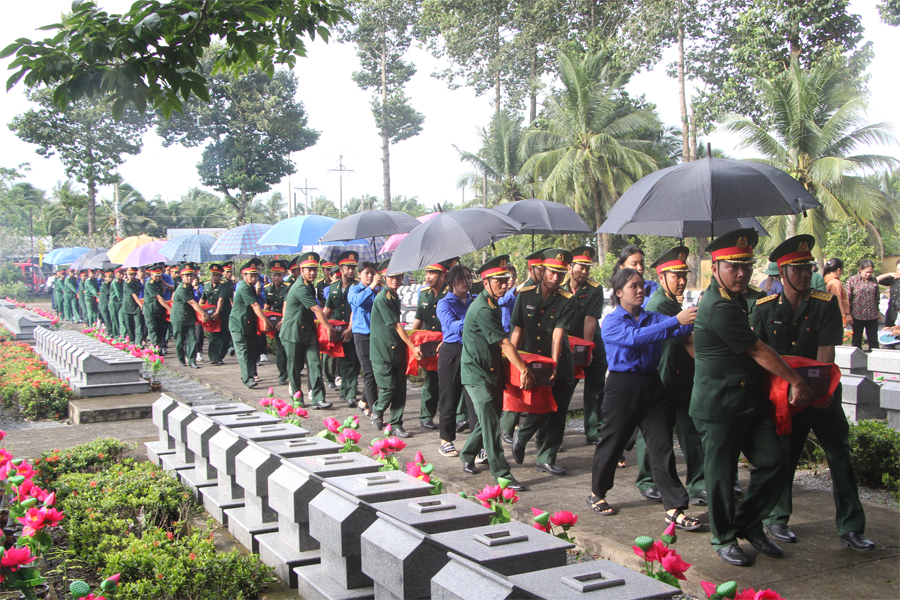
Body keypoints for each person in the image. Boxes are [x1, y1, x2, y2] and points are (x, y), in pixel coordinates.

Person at [691, 228, 815, 567]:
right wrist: (795, 380)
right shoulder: (717, 305)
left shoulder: (738, 300)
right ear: (715, 268)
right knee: (720, 476)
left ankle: (748, 522)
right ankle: (724, 538)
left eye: (746, 265)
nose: (742, 273)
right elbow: (758, 350)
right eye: (733, 266)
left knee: (774, 460)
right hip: (718, 405)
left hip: (748, 402)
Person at [752, 235, 874, 553]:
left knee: (840, 456)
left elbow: (825, 352)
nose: (805, 274)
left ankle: (851, 527)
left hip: (822, 394)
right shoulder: (764, 308)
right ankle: (777, 517)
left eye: (808, 268)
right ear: (782, 272)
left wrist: (818, 393)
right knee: (785, 456)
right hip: (785, 398)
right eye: (798, 269)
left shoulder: (825, 303)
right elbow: (758, 355)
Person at [587, 266, 701, 531]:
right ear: (618, 292)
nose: (640, 290)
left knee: (662, 446)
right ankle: (597, 492)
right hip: (621, 387)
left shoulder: (654, 317)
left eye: (642, 286)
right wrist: (675, 321)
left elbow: (679, 330)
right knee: (612, 442)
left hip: (652, 385)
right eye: (633, 286)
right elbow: (635, 338)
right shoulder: (612, 322)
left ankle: (674, 507)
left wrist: (696, 316)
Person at [459, 254, 531, 491]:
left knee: (488, 418)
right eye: (498, 280)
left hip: (490, 371)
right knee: (491, 423)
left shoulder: (492, 304)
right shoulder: (483, 309)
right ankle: (502, 473)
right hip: (476, 373)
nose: (504, 283)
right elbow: (505, 344)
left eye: (505, 279)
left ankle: (467, 453)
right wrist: (523, 369)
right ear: (485, 282)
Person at [641, 247, 706, 505]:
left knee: (690, 429)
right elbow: (688, 340)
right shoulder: (659, 304)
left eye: (684, 275)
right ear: (661, 277)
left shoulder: (671, 302)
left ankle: (698, 483)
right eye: (675, 275)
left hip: (678, 377)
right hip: (662, 377)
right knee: (656, 433)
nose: (681, 280)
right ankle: (647, 481)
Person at [510, 248, 576, 476]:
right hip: (533, 360)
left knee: (558, 409)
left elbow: (558, 334)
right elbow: (517, 330)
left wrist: (554, 366)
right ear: (542, 270)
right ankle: (523, 434)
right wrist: (510, 360)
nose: (555, 278)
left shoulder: (567, 300)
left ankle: (547, 457)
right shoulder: (525, 295)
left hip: (560, 361)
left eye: (561, 274)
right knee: (539, 405)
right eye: (551, 272)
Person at [500, 248, 548, 444]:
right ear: (531, 270)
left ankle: (541, 436)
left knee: (541, 391)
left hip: (541, 348)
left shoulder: (547, 292)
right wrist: (512, 355)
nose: (544, 273)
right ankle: (507, 428)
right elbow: (517, 326)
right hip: (523, 348)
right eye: (541, 269)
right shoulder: (524, 293)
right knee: (518, 390)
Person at [369, 259, 422, 437]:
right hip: (382, 351)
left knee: (400, 389)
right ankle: (377, 410)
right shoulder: (383, 298)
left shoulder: (394, 296)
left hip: (396, 349)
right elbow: (397, 325)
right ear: (384, 277)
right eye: (391, 276)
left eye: (398, 276)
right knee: (388, 388)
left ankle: (397, 423)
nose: (395, 279)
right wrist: (412, 346)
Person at [280, 252, 337, 408]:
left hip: (308, 332)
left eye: (314, 269)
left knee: (315, 364)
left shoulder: (309, 285)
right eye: (309, 270)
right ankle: (297, 398)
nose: (312, 273)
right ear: (301, 270)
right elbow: (316, 310)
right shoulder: (300, 287)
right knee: (294, 367)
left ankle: (318, 398)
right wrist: (328, 328)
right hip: (292, 333)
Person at [565, 246, 607, 446]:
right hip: (567, 346)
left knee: (595, 388)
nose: (584, 272)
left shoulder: (594, 289)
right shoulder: (559, 287)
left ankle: (594, 430)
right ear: (570, 267)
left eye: (587, 268)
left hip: (591, 344)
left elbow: (590, 320)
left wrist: (588, 349)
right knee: (565, 389)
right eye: (580, 267)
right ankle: (553, 434)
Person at [436, 263, 474, 457]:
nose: (466, 281)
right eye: (460, 277)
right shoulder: (445, 303)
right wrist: (474, 317)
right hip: (452, 351)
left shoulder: (476, 300)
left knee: (474, 399)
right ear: (451, 282)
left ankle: (478, 443)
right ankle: (446, 440)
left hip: (472, 350)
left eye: (468, 276)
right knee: (449, 396)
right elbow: (451, 326)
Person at [413, 259, 453, 430]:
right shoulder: (424, 294)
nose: (428, 277)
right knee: (430, 381)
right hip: (430, 346)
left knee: (451, 381)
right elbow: (418, 321)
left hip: (449, 342)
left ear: (442, 276)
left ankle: (458, 417)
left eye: (432, 273)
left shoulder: (451, 293)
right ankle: (426, 416)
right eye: (427, 273)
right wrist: (412, 342)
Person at [324, 251, 361, 407]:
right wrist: (322, 325)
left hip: (355, 329)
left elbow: (356, 310)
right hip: (338, 331)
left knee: (353, 362)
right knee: (344, 361)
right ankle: (346, 390)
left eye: (353, 267)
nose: (351, 271)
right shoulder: (334, 287)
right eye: (348, 267)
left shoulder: (359, 286)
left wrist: (350, 329)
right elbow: (328, 310)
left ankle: (349, 392)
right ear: (341, 269)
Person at [229, 261, 273, 388]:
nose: (254, 278)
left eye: (255, 275)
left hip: (248, 325)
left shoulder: (250, 287)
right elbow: (255, 305)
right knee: (243, 353)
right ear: (244, 276)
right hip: (238, 326)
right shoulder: (244, 287)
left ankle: (251, 374)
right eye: (250, 276)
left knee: (251, 352)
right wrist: (266, 321)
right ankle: (247, 379)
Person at [349, 260, 381, 417]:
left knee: (376, 373)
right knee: (369, 373)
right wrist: (372, 287)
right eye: (366, 273)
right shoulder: (354, 289)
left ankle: (363, 402)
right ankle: (375, 412)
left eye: (372, 273)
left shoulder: (378, 290)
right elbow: (357, 301)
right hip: (362, 335)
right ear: (359, 274)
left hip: (377, 335)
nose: (369, 276)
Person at [846, 259, 893, 350]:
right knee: (857, 339)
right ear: (861, 270)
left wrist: (878, 312)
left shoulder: (874, 280)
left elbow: (876, 297)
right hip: (857, 315)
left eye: (870, 272)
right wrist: (848, 314)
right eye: (866, 272)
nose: (868, 274)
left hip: (872, 315)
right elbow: (847, 298)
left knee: (873, 339)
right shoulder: (852, 280)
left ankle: (874, 357)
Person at [171, 264, 207, 368]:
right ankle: (181, 360)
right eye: (186, 275)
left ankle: (192, 361)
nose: (189, 277)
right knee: (179, 341)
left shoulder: (190, 287)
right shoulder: (181, 289)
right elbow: (192, 302)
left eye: (191, 275)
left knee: (192, 339)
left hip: (189, 318)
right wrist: (203, 313)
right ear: (182, 277)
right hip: (179, 318)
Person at [264, 260, 291, 385]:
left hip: (286, 321)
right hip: (274, 323)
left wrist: (284, 320)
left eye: (279, 275)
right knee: (280, 348)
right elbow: (267, 306)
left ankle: (290, 372)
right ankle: (282, 374)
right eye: (274, 275)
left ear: (283, 275)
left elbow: (286, 305)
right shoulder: (267, 288)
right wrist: (265, 320)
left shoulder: (287, 287)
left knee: (287, 348)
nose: (276, 278)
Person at [202, 264, 232, 365]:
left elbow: (221, 300)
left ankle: (220, 355)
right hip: (211, 315)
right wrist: (200, 312)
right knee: (213, 336)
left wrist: (217, 312)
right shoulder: (206, 285)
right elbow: (202, 300)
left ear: (220, 276)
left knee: (225, 337)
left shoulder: (224, 285)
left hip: (223, 314)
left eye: (217, 275)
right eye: (213, 275)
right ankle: (213, 357)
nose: (214, 277)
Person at [142, 265, 168, 350]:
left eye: (159, 275)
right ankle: (155, 348)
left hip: (159, 310)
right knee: (153, 330)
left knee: (160, 330)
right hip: (150, 310)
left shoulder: (159, 282)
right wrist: (169, 309)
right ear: (151, 274)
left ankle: (159, 347)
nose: (158, 277)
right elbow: (159, 297)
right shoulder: (149, 283)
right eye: (156, 276)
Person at [823, 258, 852, 329]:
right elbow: (837, 301)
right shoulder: (835, 283)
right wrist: (843, 317)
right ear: (839, 270)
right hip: (835, 316)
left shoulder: (826, 279)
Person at [122, 267, 144, 344]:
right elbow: (134, 295)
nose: (130, 276)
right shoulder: (127, 283)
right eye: (129, 274)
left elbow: (142, 290)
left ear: (135, 274)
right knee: (129, 326)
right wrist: (140, 304)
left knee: (139, 325)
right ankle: (132, 340)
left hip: (136, 307)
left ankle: (138, 343)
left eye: (132, 274)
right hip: (128, 306)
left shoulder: (138, 281)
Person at [881, 258, 900, 334]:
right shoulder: (893, 280)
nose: (899, 272)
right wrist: (889, 274)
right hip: (892, 311)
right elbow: (876, 280)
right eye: (898, 270)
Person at [109, 267, 125, 339]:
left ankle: (123, 334)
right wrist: (123, 302)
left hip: (120, 302)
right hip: (114, 302)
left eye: (122, 273)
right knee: (114, 319)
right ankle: (116, 335)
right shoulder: (115, 282)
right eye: (120, 273)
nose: (122, 275)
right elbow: (118, 294)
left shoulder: (123, 281)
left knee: (121, 319)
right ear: (116, 274)